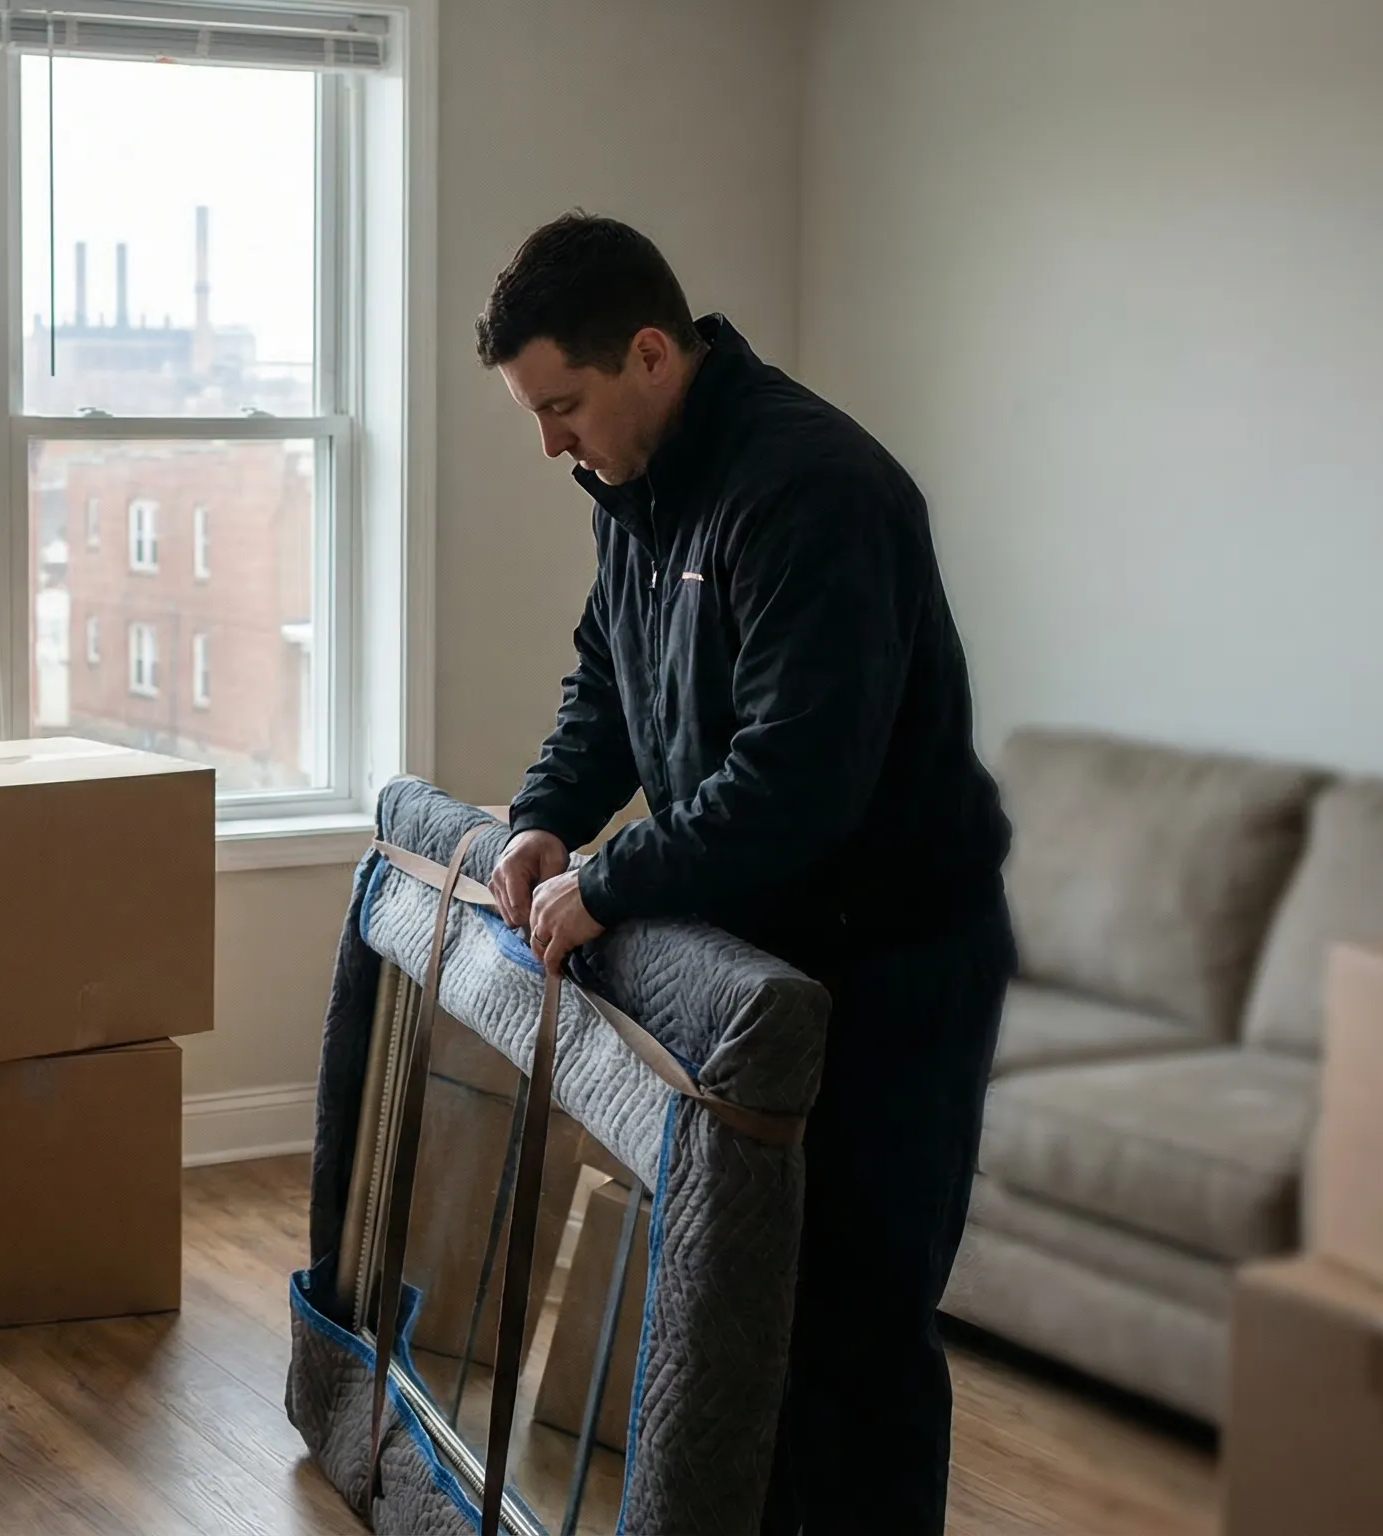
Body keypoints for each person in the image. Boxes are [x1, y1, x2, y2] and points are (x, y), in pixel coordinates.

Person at [477, 212, 1015, 1534]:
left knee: (859, 1331)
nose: (551, 442)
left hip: (893, 970)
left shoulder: (816, 492)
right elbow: (611, 680)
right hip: (764, 964)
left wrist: (609, 882)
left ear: (650, 353)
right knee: (744, 1312)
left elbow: (796, 781)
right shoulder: (635, 493)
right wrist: (545, 819)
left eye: (564, 406)